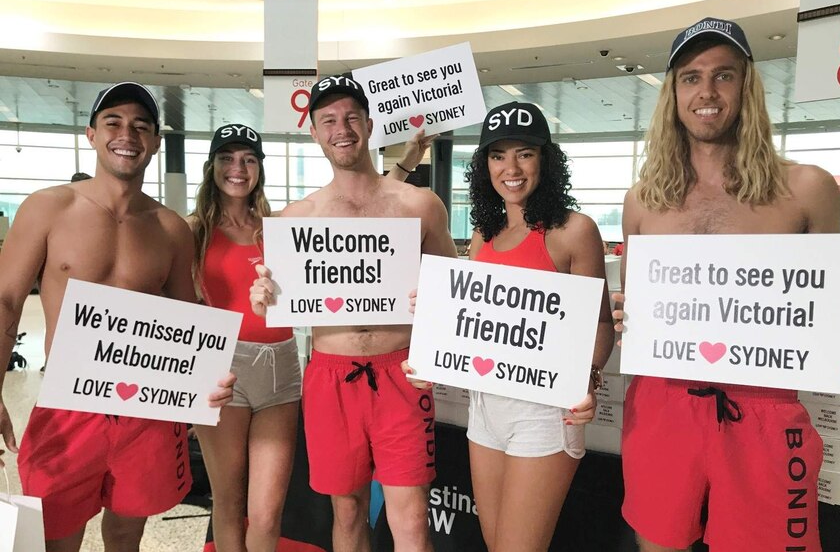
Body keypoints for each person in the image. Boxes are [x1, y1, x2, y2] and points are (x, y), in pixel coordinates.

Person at [614, 18, 840, 552]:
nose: (706, 92)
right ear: (673, 94)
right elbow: (638, 311)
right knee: (657, 543)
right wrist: (618, 316)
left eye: (724, 76)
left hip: (765, 408)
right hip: (662, 403)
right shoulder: (643, 201)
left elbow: (834, 307)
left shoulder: (806, 189)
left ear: (747, 86)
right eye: (691, 77)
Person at [0, 81, 235, 552]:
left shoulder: (170, 229)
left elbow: (187, 318)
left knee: (127, 534)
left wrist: (204, 380)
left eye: (140, 126)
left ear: (154, 142)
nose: (127, 134)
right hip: (69, 405)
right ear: (90, 134)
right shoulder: (48, 209)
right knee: (57, 535)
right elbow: (6, 302)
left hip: (145, 410)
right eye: (113, 122)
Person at [250, 75, 457, 552]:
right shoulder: (297, 218)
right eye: (328, 120)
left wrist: (433, 302)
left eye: (350, 117)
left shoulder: (419, 206)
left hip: (400, 372)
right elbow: (278, 300)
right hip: (329, 376)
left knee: (411, 521)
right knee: (346, 515)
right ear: (315, 132)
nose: (341, 129)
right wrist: (265, 295)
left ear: (369, 123)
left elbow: (453, 296)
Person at [404, 101, 614, 551]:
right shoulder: (484, 234)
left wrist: (589, 376)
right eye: (498, 156)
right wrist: (434, 337)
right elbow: (474, 322)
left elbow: (599, 323)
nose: (511, 168)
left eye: (525, 153)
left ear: (546, 160)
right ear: (484, 166)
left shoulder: (574, 231)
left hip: (545, 411)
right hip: (486, 408)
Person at [188, 124, 301, 552]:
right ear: (212, 167)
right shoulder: (193, 230)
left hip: (282, 368)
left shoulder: (278, 228)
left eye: (249, 159)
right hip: (223, 368)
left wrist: (402, 166)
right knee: (230, 500)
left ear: (260, 169)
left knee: (269, 510)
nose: (238, 168)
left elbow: (350, 229)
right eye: (227, 158)